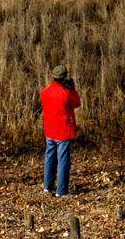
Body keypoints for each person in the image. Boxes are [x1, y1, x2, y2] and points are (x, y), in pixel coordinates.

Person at [41, 64, 80, 197]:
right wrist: (72, 89)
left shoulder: (44, 91)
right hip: (62, 131)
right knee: (63, 161)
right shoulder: (66, 94)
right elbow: (77, 103)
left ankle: (47, 187)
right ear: (64, 78)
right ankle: (61, 191)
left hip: (49, 130)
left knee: (49, 158)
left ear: (53, 76)